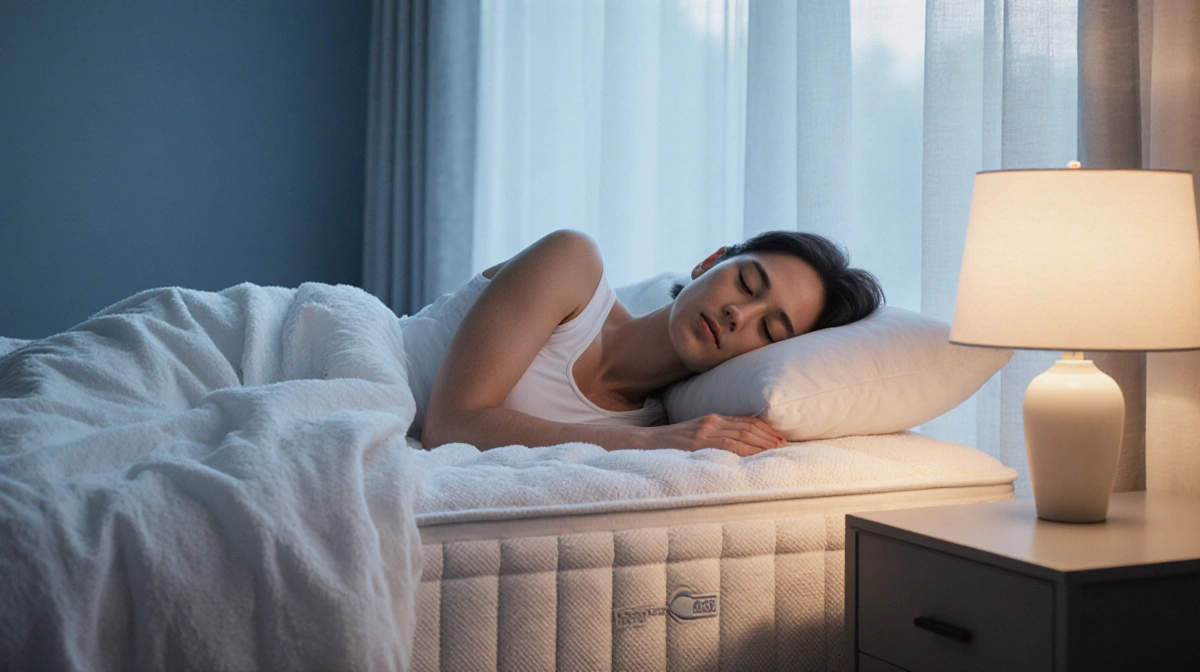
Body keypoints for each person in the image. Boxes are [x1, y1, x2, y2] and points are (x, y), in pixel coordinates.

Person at [417, 229, 883, 456]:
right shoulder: (572, 265)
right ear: (709, 262)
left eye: (770, 331)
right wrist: (648, 441)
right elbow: (450, 424)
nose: (738, 314)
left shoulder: (665, 421)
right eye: (745, 282)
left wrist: (657, 437)